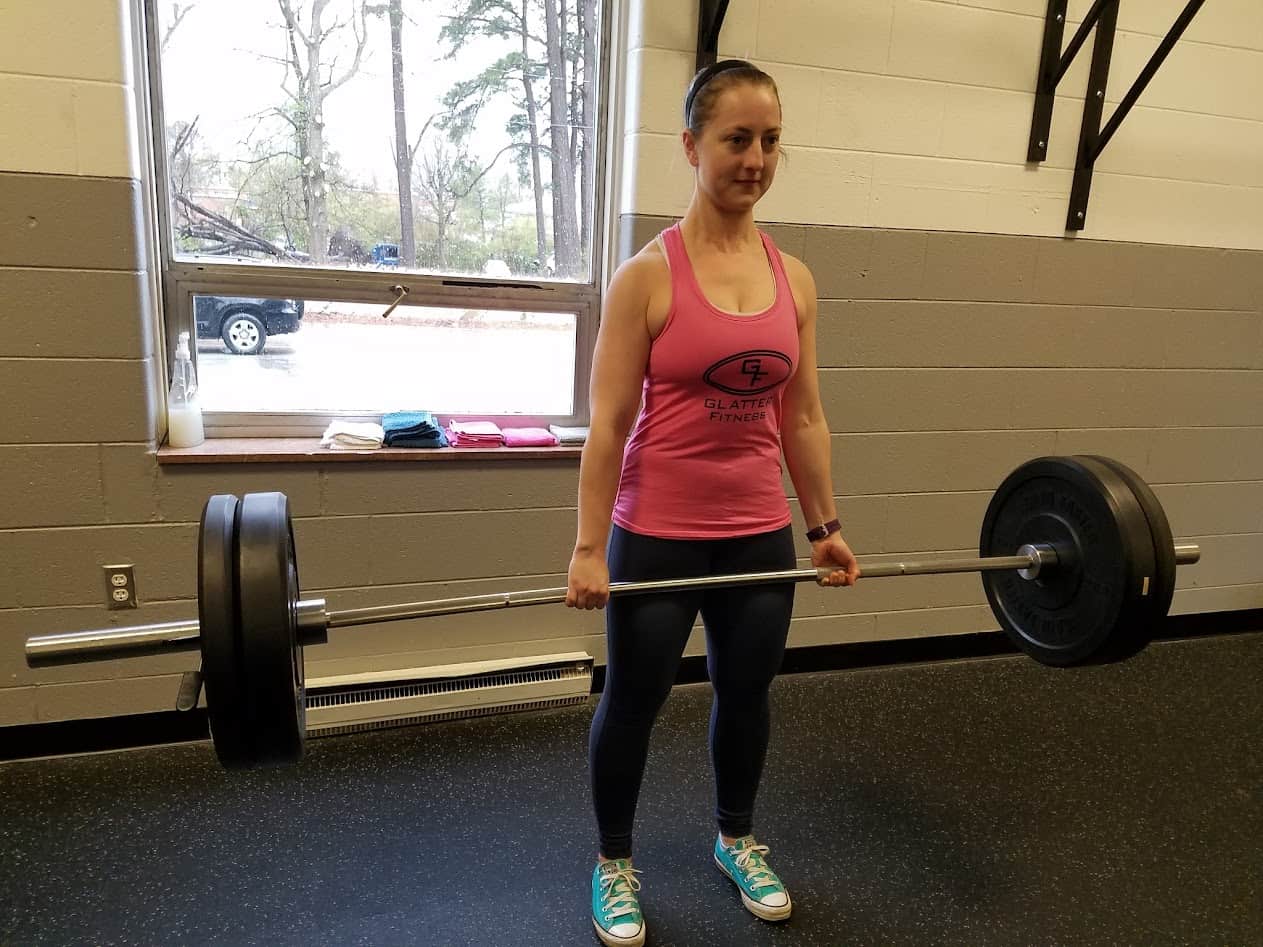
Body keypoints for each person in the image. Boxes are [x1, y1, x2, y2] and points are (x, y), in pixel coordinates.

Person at [566, 59, 862, 947]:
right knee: (635, 698)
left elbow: (801, 414)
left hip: (757, 534)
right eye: (736, 139)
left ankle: (736, 837)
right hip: (655, 534)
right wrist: (588, 546)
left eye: (769, 140)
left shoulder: (795, 278)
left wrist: (825, 526)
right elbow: (608, 425)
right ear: (691, 146)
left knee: (747, 690)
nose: (755, 158)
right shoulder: (646, 278)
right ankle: (613, 863)